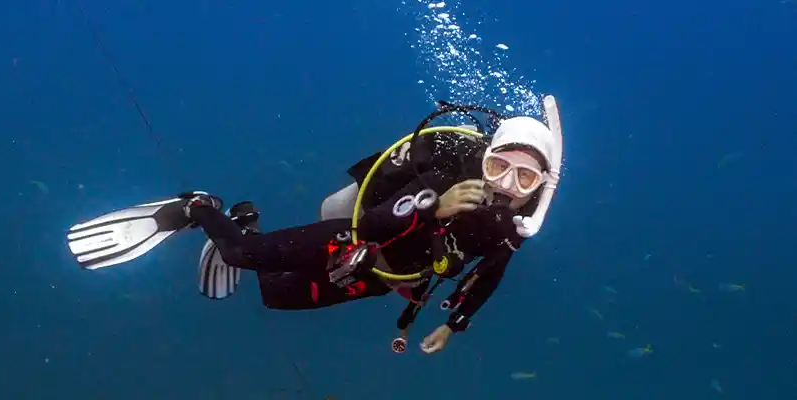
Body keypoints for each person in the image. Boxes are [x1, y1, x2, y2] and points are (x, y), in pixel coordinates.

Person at [66, 96, 564, 354]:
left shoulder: (511, 226)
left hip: (378, 280)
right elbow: (368, 223)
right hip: (347, 243)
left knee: (272, 295)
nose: (506, 185)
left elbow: (490, 276)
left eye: (524, 177)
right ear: (486, 157)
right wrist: (433, 208)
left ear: (539, 184)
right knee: (239, 256)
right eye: (500, 166)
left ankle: (244, 220)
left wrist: (453, 324)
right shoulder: (444, 179)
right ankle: (197, 208)